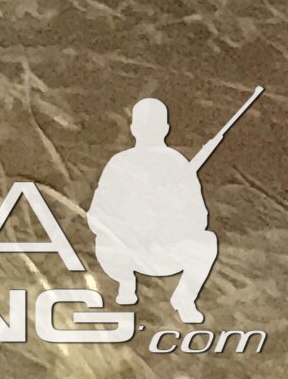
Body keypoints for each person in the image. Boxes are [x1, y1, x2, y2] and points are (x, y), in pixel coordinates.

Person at [88, 100, 220, 323]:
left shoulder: (178, 164)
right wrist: (126, 228)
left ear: (165, 129)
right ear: (133, 129)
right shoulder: (120, 163)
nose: (149, 131)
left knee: (206, 242)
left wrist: (171, 219)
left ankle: (185, 298)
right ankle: (126, 283)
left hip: (165, 250)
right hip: (127, 251)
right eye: (144, 126)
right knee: (104, 241)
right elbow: (96, 214)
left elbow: (199, 218)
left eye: (155, 126)